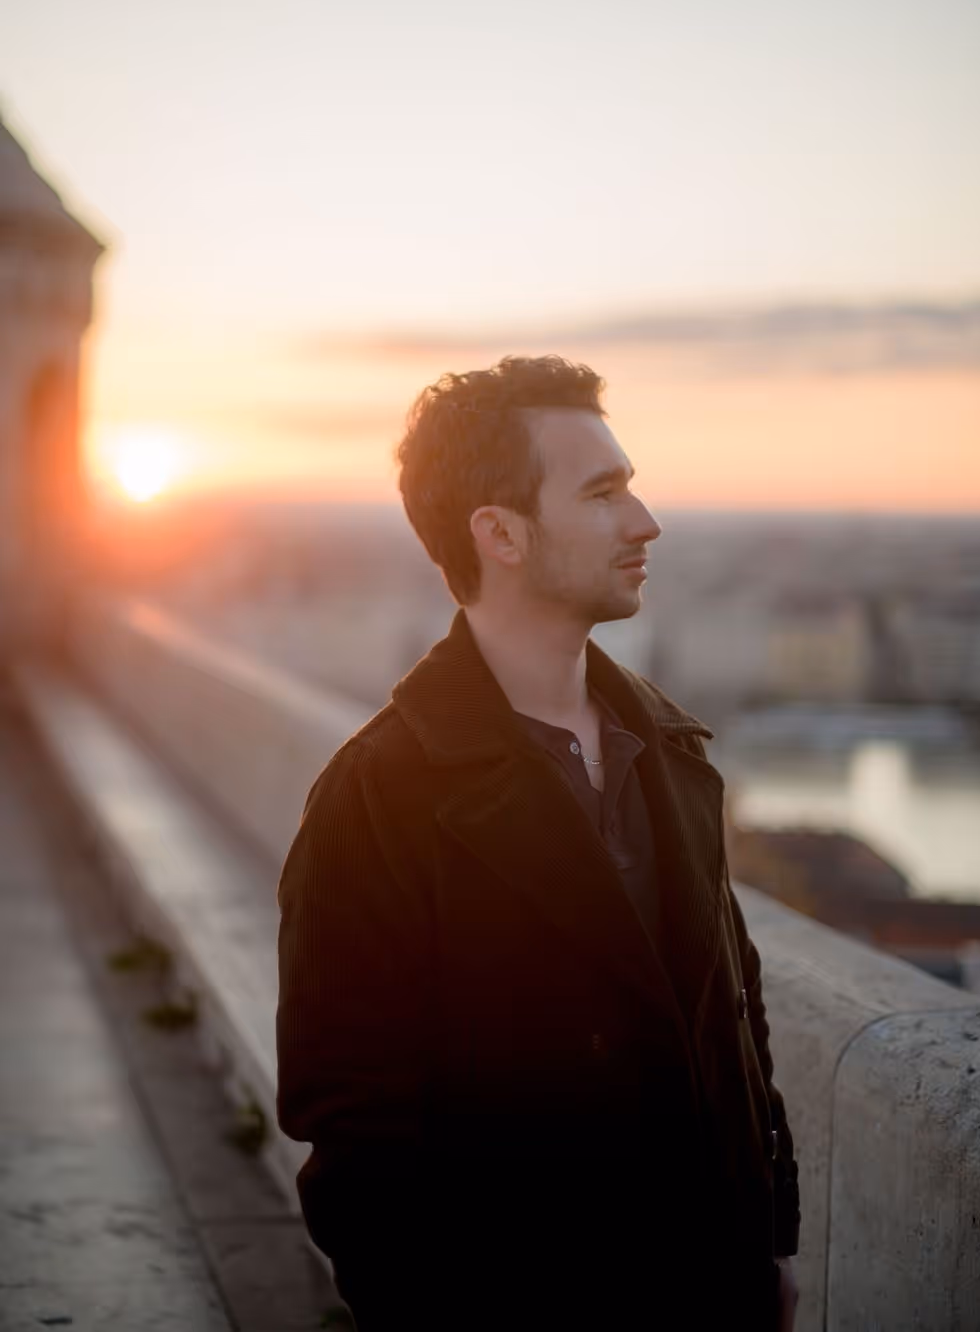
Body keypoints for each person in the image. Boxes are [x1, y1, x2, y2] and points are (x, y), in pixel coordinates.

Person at [276, 355, 800, 1330]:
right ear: (500, 533)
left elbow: (737, 1022)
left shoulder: (672, 751)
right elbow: (352, 1133)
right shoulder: (376, 797)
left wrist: (765, 1246)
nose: (643, 522)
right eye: (603, 493)